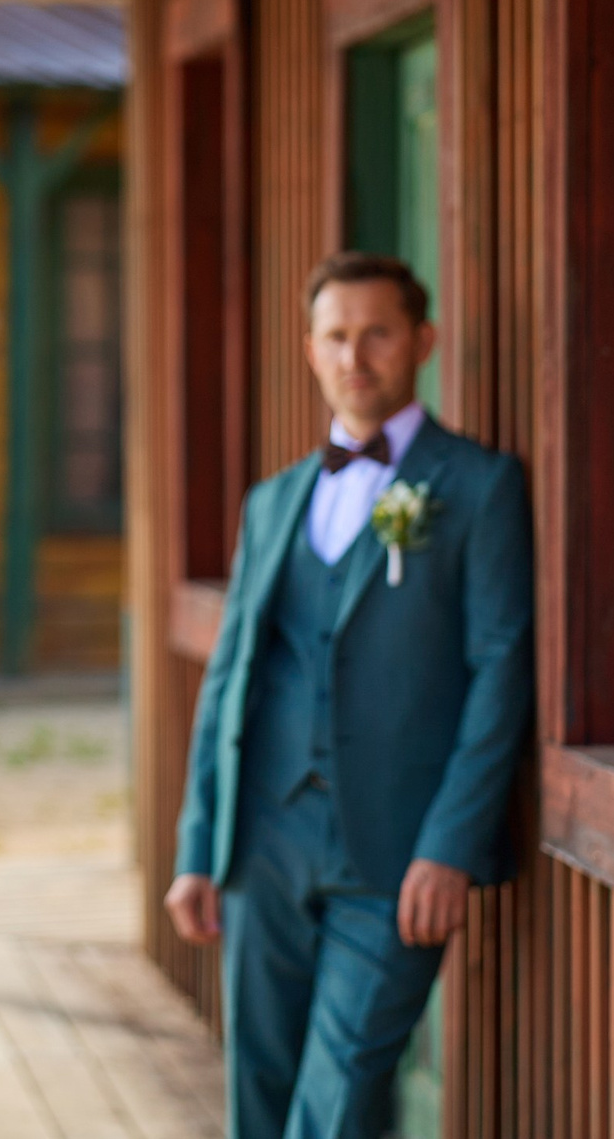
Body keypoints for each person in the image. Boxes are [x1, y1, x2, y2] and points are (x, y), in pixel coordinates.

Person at [164, 252, 532, 1139]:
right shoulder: (273, 502)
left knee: (337, 1094)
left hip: (399, 852)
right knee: (260, 1085)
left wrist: (451, 844)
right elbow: (230, 681)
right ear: (311, 349)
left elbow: (500, 674)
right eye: (337, 334)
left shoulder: (480, 487)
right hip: (265, 841)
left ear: (422, 342)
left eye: (378, 333)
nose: (356, 355)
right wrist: (198, 844)